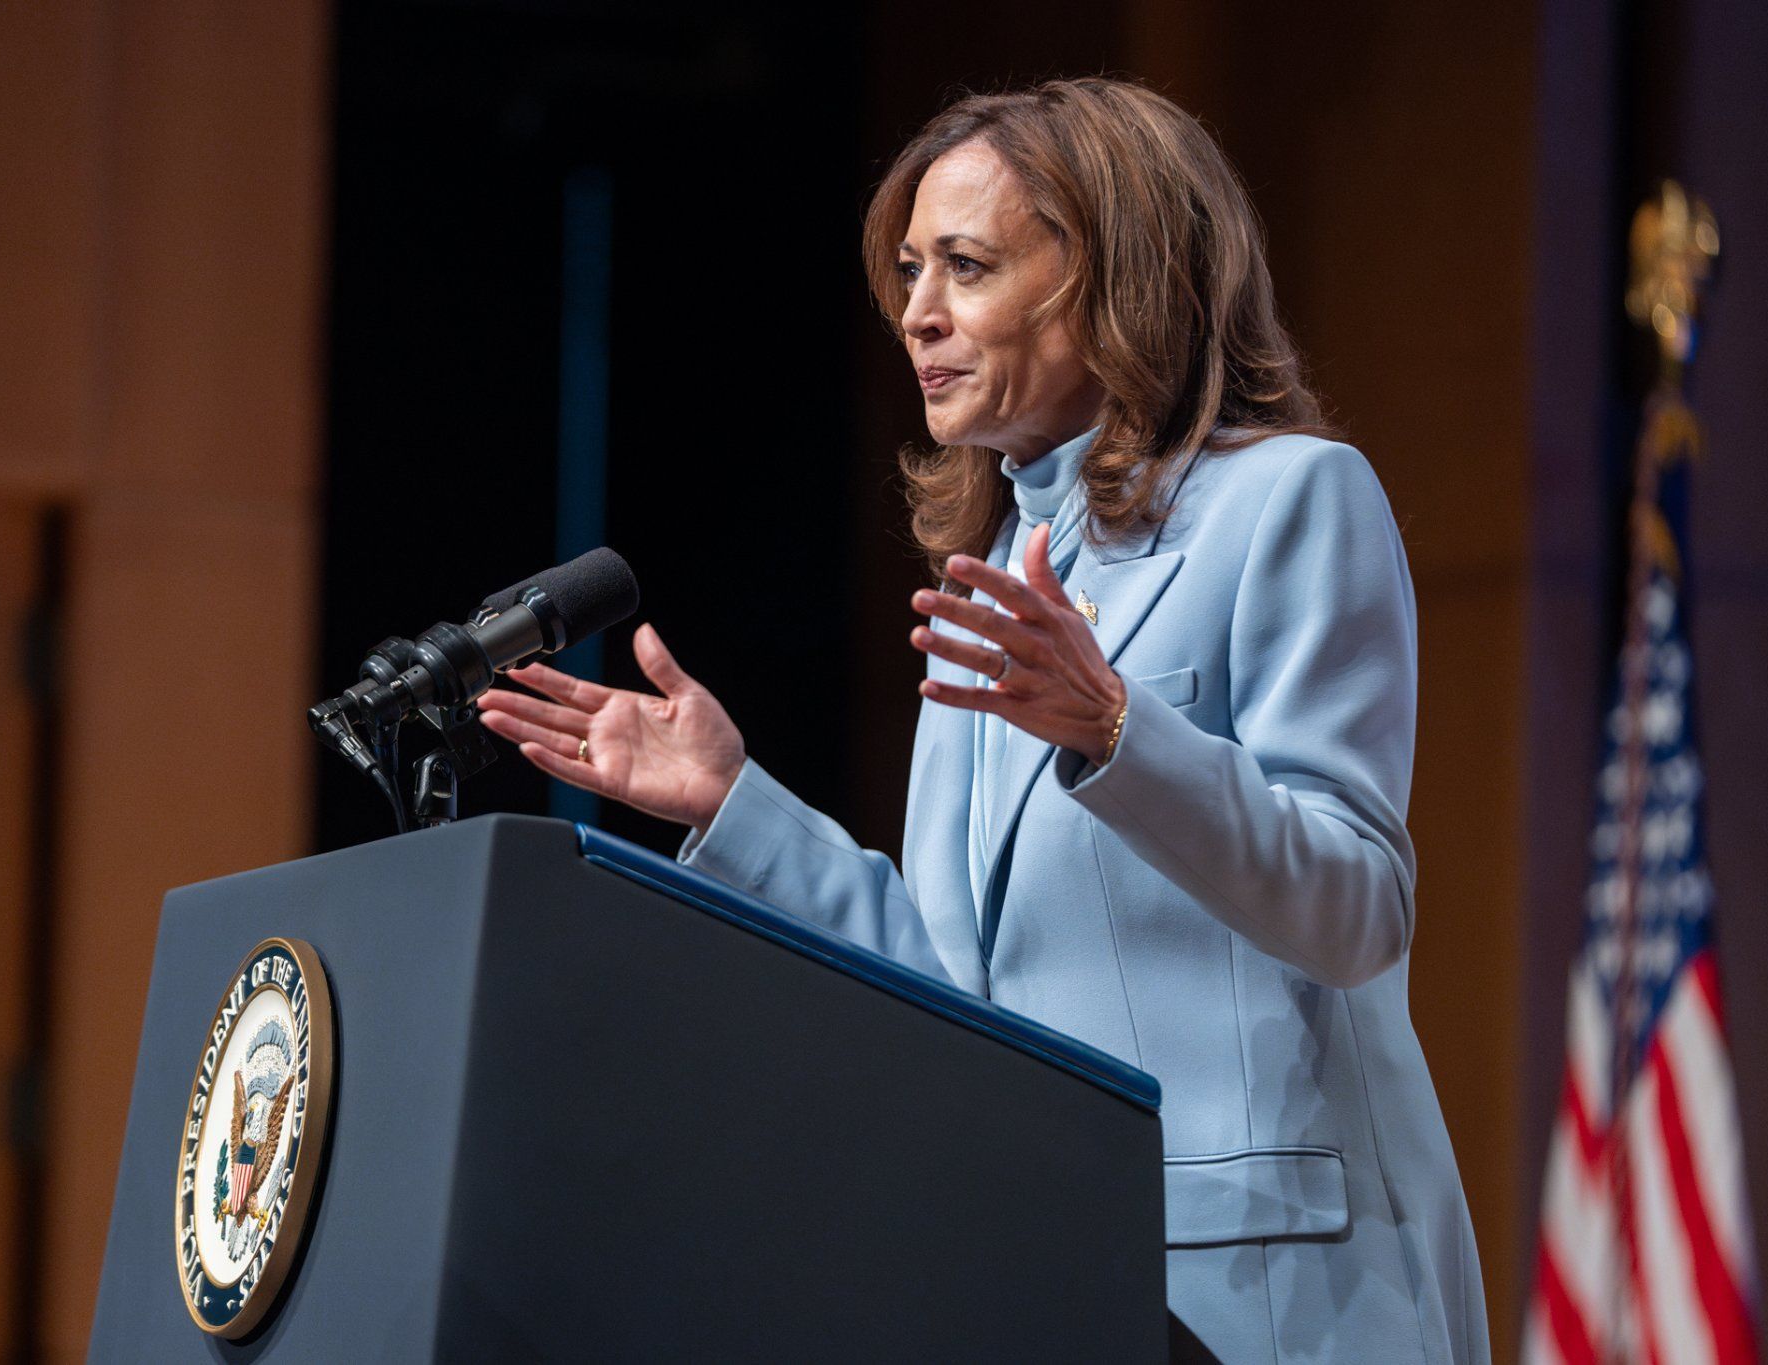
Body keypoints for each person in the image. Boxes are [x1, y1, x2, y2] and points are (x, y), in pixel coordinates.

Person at [477, 76, 1488, 1364]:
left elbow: (1358, 909)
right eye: (910, 271)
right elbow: (957, 990)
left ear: (1112, 279)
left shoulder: (1289, 501)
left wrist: (1120, 731)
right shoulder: (999, 567)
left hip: (1275, 1292)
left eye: (966, 265)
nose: (918, 315)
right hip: (1055, 1272)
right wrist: (736, 807)